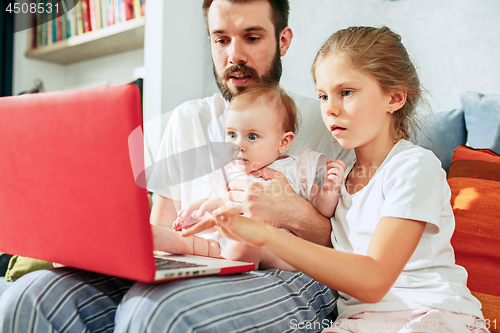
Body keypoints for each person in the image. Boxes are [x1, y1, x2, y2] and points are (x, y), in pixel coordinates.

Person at [0, 1, 353, 332]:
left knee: (156, 310)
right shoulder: (189, 118)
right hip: (197, 263)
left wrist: (290, 211)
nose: (234, 55)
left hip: (288, 271)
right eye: (221, 39)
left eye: (252, 37)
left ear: (283, 40)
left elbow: (355, 253)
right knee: (29, 297)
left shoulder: (330, 123)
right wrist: (99, 251)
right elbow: (161, 226)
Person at [183, 26, 489, 333]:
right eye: (322, 95)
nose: (330, 108)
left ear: (394, 97)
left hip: (432, 315)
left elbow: (373, 281)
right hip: (359, 322)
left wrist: (266, 236)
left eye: (346, 92)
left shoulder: (413, 166)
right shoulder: (335, 185)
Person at [171, 83, 345, 271]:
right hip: (230, 247)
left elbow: (322, 210)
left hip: (282, 254)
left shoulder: (296, 168)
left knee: (244, 245)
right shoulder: (230, 172)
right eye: (232, 134)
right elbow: (221, 209)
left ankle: (215, 276)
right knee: (190, 243)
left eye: (252, 137)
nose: (238, 145)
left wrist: (328, 189)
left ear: (283, 142)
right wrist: (197, 212)